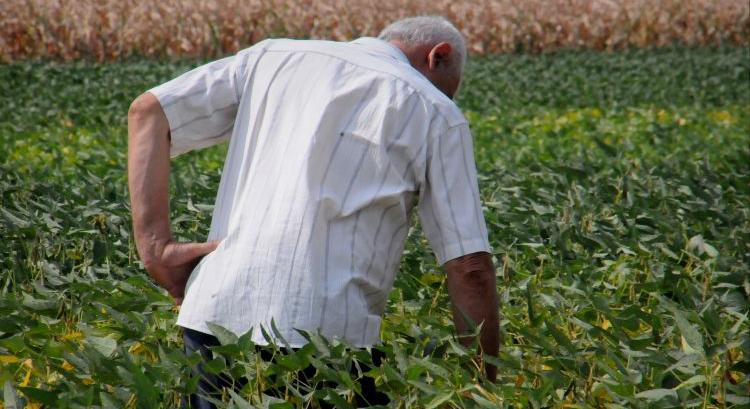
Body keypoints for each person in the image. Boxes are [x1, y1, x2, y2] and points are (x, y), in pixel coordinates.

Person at [127, 15, 499, 407]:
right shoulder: (435, 111)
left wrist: (155, 247)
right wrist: (482, 385)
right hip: (328, 335)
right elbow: (469, 266)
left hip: (215, 315)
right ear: (438, 57)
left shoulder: (272, 57)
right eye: (447, 89)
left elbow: (149, 110)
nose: (445, 97)